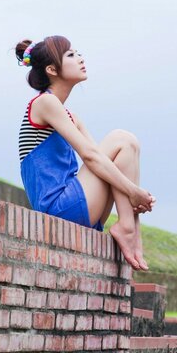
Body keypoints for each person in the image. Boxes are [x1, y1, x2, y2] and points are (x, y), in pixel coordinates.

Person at [15, 35, 155, 271]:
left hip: (76, 208)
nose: (80, 58)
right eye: (71, 55)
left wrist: (135, 193)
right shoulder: (43, 103)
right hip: (57, 210)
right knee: (121, 139)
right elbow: (91, 156)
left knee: (127, 145)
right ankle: (129, 229)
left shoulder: (71, 117)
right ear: (52, 69)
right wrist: (133, 192)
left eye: (78, 53)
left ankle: (131, 228)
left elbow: (101, 160)